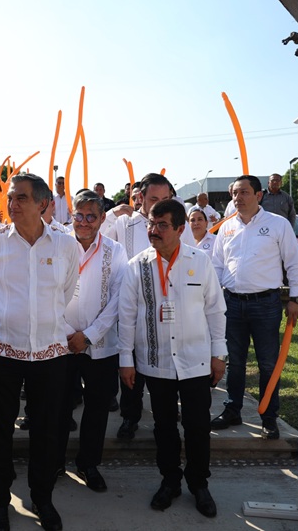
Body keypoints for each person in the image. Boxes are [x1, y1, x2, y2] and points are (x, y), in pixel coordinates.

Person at [0, 173, 79, 531]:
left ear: (43, 203)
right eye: (10, 197)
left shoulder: (65, 246)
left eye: (21, 197)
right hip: (0, 351)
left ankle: (42, 498)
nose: (12, 204)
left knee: (47, 431)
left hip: (49, 353)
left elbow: (66, 292)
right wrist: (13, 322)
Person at [118, 198, 227, 518]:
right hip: (157, 361)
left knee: (197, 426)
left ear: (180, 229)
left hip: (196, 360)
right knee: (164, 427)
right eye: (151, 224)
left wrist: (219, 354)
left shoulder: (200, 261)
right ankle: (170, 481)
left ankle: (199, 483)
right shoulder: (137, 265)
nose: (154, 230)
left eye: (162, 225)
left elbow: (215, 309)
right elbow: (127, 315)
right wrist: (126, 359)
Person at [101, 173, 194, 440]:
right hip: (134, 304)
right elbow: (100, 239)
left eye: (165, 198)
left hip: (169, 303)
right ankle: (130, 416)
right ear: (141, 197)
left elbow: (190, 256)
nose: (160, 204)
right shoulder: (125, 223)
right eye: (154, 198)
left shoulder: (178, 222)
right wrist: (111, 214)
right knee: (131, 362)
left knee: (167, 361)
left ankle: (166, 413)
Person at [210, 175, 298, 440]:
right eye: (235, 193)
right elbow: (217, 265)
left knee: (268, 363)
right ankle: (233, 410)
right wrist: (213, 299)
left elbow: (293, 262)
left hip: (266, 304)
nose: (238, 198)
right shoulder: (226, 227)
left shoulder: (277, 224)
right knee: (235, 362)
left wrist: (295, 298)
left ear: (259, 195)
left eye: (244, 192)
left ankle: (269, 417)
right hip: (232, 303)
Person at [57, 191, 127, 493]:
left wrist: (89, 335)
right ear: (72, 216)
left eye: (91, 216)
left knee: (97, 407)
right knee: (57, 406)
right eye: (79, 215)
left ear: (102, 219)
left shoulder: (115, 250)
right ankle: (54, 461)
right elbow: (45, 293)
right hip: (59, 342)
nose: (84, 222)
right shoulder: (57, 245)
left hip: (100, 344)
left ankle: (88, 463)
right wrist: (67, 333)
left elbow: (118, 298)